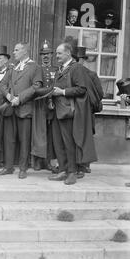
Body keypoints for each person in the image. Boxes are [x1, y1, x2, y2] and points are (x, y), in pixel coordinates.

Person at [49, 43, 97, 185]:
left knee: (69, 144)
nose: (56, 56)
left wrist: (62, 92)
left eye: (59, 53)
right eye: (56, 53)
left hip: (69, 112)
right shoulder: (60, 69)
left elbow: (82, 89)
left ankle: (72, 173)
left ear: (68, 53)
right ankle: (63, 170)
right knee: (59, 143)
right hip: (58, 111)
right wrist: (51, 98)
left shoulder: (76, 68)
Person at [1, 42, 43, 179]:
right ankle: (8, 167)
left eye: (16, 50)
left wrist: (20, 98)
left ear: (25, 51)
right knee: (9, 139)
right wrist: (8, 95)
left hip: (25, 109)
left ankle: (23, 168)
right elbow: (3, 84)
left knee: (24, 140)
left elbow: (36, 86)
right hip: (10, 109)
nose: (14, 52)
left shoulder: (35, 67)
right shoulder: (13, 67)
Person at [73, 46, 104, 176]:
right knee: (84, 138)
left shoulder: (89, 74)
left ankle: (82, 165)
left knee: (82, 138)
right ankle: (82, 165)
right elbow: (100, 94)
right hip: (83, 111)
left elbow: (99, 94)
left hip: (81, 110)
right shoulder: (90, 74)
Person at [33, 40, 58, 173]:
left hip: (52, 106)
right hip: (39, 105)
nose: (46, 56)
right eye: (43, 54)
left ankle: (48, 161)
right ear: (40, 56)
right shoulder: (36, 69)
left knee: (50, 134)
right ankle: (37, 161)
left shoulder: (56, 69)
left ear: (52, 55)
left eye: (48, 54)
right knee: (38, 133)